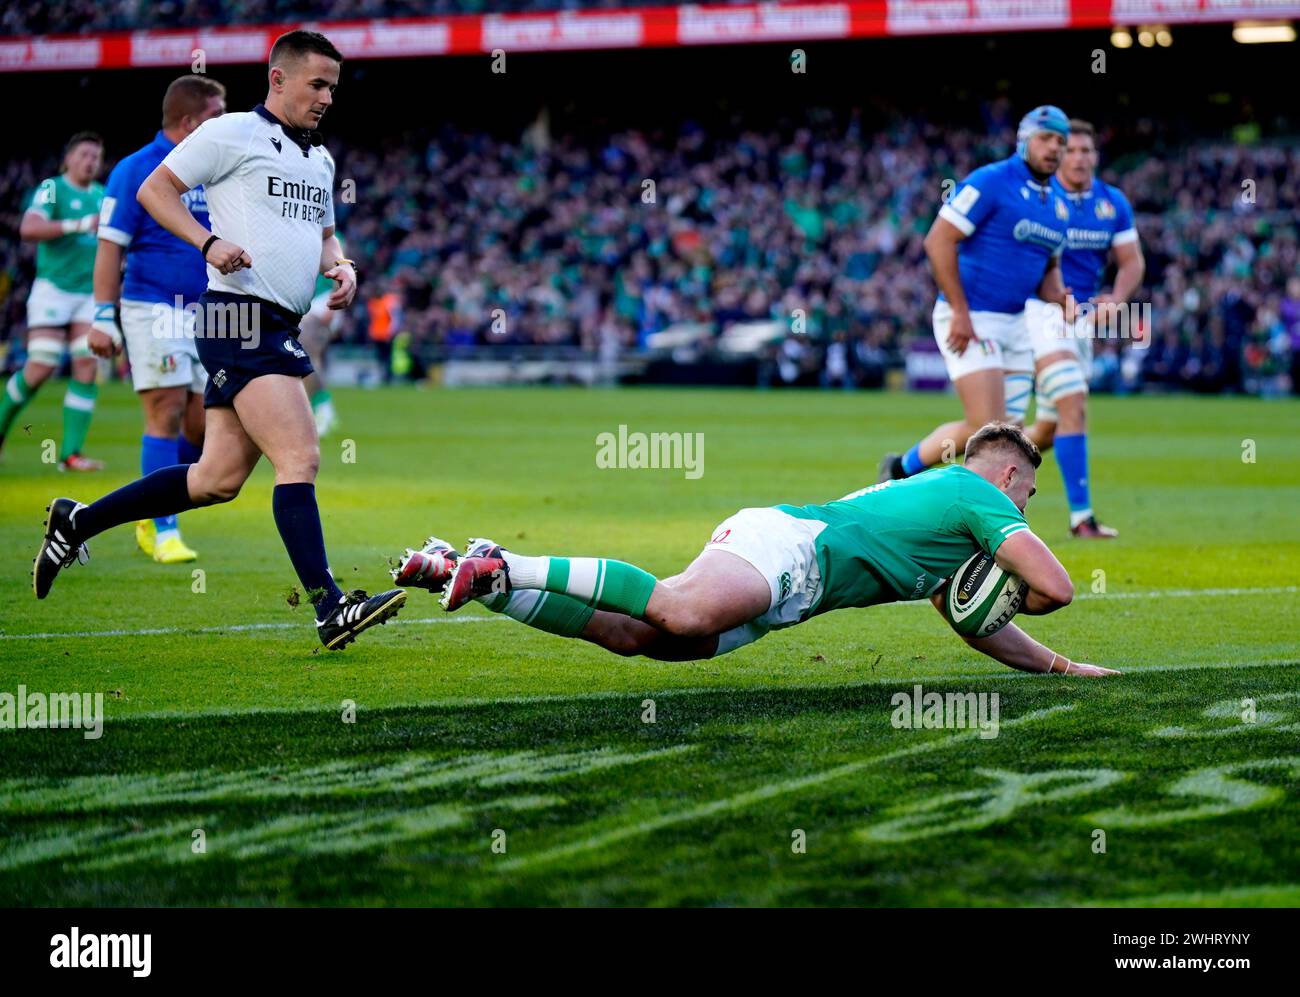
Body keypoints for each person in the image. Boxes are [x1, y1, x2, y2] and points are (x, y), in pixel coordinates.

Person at [32, 30, 406, 650]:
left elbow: (324, 237)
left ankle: (79, 522)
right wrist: (207, 244)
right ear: (278, 79)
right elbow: (156, 191)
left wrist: (342, 267)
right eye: (317, 84)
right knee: (301, 457)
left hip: (276, 321)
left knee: (216, 479)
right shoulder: (232, 132)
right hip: (236, 315)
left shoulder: (319, 159)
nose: (327, 98)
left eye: (333, 88)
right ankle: (329, 606)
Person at [395, 423, 1116, 676]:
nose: (1023, 511)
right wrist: (1022, 582)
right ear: (1011, 474)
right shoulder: (977, 492)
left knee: (639, 637)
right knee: (678, 611)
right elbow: (1058, 588)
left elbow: (971, 623)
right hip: (791, 549)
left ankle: (485, 577)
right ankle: (508, 562)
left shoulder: (951, 525)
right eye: (1028, 498)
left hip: (794, 585)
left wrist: (1060, 666)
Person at [878, 106, 1071, 485]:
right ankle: (951, 506)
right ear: (1024, 140)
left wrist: (1063, 301)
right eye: (1045, 138)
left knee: (1003, 434)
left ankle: (902, 469)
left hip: (1016, 324)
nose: (1053, 148)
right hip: (972, 315)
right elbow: (938, 241)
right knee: (988, 427)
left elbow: (1045, 273)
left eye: (1061, 141)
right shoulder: (990, 181)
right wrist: (961, 313)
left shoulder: (1058, 206)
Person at [89, 74, 228, 563]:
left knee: (202, 428)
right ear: (188, 122)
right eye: (216, 114)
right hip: (152, 305)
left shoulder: (214, 171)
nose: (224, 121)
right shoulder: (136, 170)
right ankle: (160, 528)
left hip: (208, 313)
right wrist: (103, 316)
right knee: (166, 409)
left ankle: (152, 504)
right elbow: (110, 247)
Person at [1022, 119, 1143, 537]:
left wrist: (1118, 299)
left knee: (1048, 429)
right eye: (1070, 150)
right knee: (1074, 402)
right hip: (1040, 313)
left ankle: (945, 461)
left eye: (1086, 151)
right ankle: (1082, 520)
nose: (1078, 157)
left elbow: (1131, 262)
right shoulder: (1039, 198)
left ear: (1095, 156)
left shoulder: (1112, 203)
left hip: (1083, 322)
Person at [0, 133, 106, 470]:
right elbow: (29, 229)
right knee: (41, 367)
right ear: (69, 159)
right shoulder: (51, 188)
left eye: (96, 156)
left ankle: (71, 454)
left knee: (87, 365)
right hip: (53, 289)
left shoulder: (102, 196)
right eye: (85, 154)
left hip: (88, 292)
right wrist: (79, 224)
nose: (91, 161)